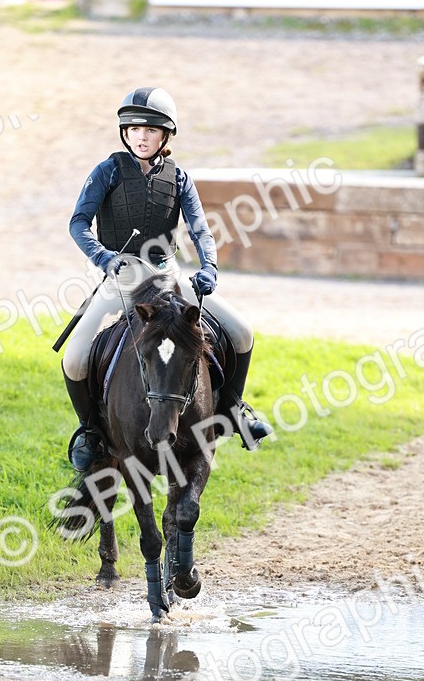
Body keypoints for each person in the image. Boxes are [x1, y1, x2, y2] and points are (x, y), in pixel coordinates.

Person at [62, 86, 273, 472]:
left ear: (166, 136)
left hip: (168, 276)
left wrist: (208, 266)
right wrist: (104, 257)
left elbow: (200, 230)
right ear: (125, 133)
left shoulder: (179, 178)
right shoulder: (107, 171)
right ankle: (91, 433)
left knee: (242, 332)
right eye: (133, 129)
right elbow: (78, 223)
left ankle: (233, 406)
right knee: (75, 360)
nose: (141, 136)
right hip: (122, 279)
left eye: (150, 130)